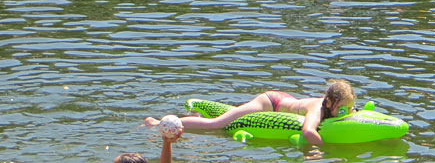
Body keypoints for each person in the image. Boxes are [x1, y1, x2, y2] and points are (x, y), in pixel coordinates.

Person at [145, 80, 357, 146]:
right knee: (215, 125)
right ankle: (158, 123)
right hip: (269, 103)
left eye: (348, 107)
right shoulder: (317, 107)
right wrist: (327, 149)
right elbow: (308, 132)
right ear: (329, 101)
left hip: (287, 100)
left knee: (214, 124)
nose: (345, 111)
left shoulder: (340, 107)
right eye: (342, 107)